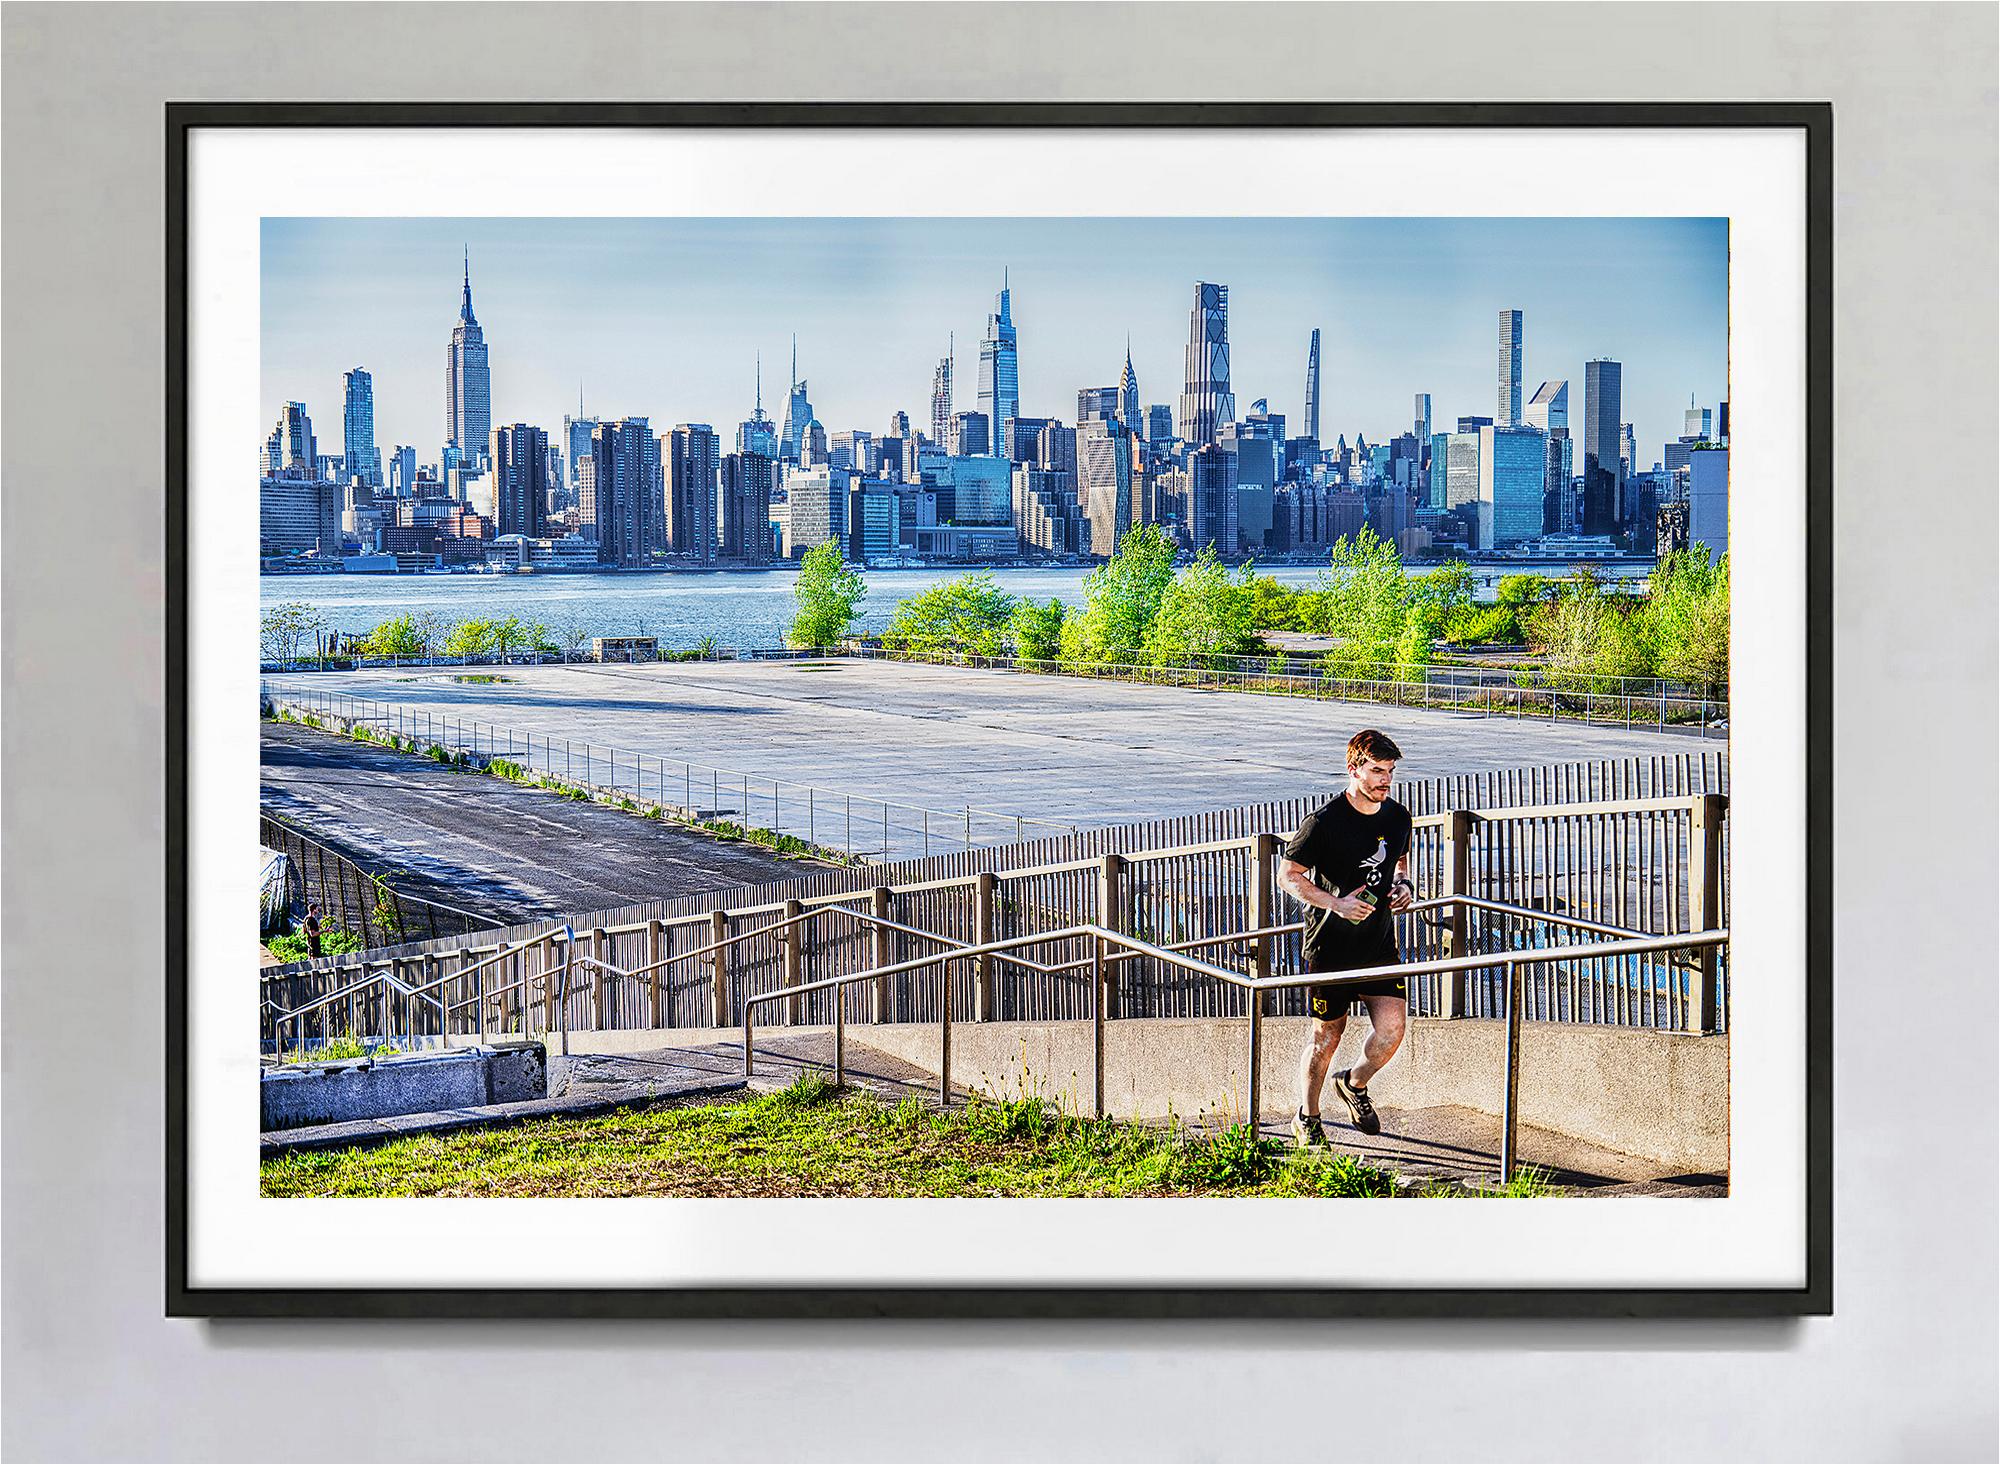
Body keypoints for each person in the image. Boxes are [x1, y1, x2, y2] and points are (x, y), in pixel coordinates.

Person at [1278, 729, 1416, 1147]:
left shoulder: (1397, 816)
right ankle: (1308, 1117)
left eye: (1390, 772)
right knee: (1326, 1037)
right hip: (1330, 949)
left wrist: (1404, 885)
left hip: (1377, 946)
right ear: (1353, 768)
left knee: (1392, 1031)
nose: (1384, 781)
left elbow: (1400, 861)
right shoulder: (1323, 822)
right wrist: (1336, 904)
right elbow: (1288, 876)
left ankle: (1354, 1083)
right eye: (1376, 771)